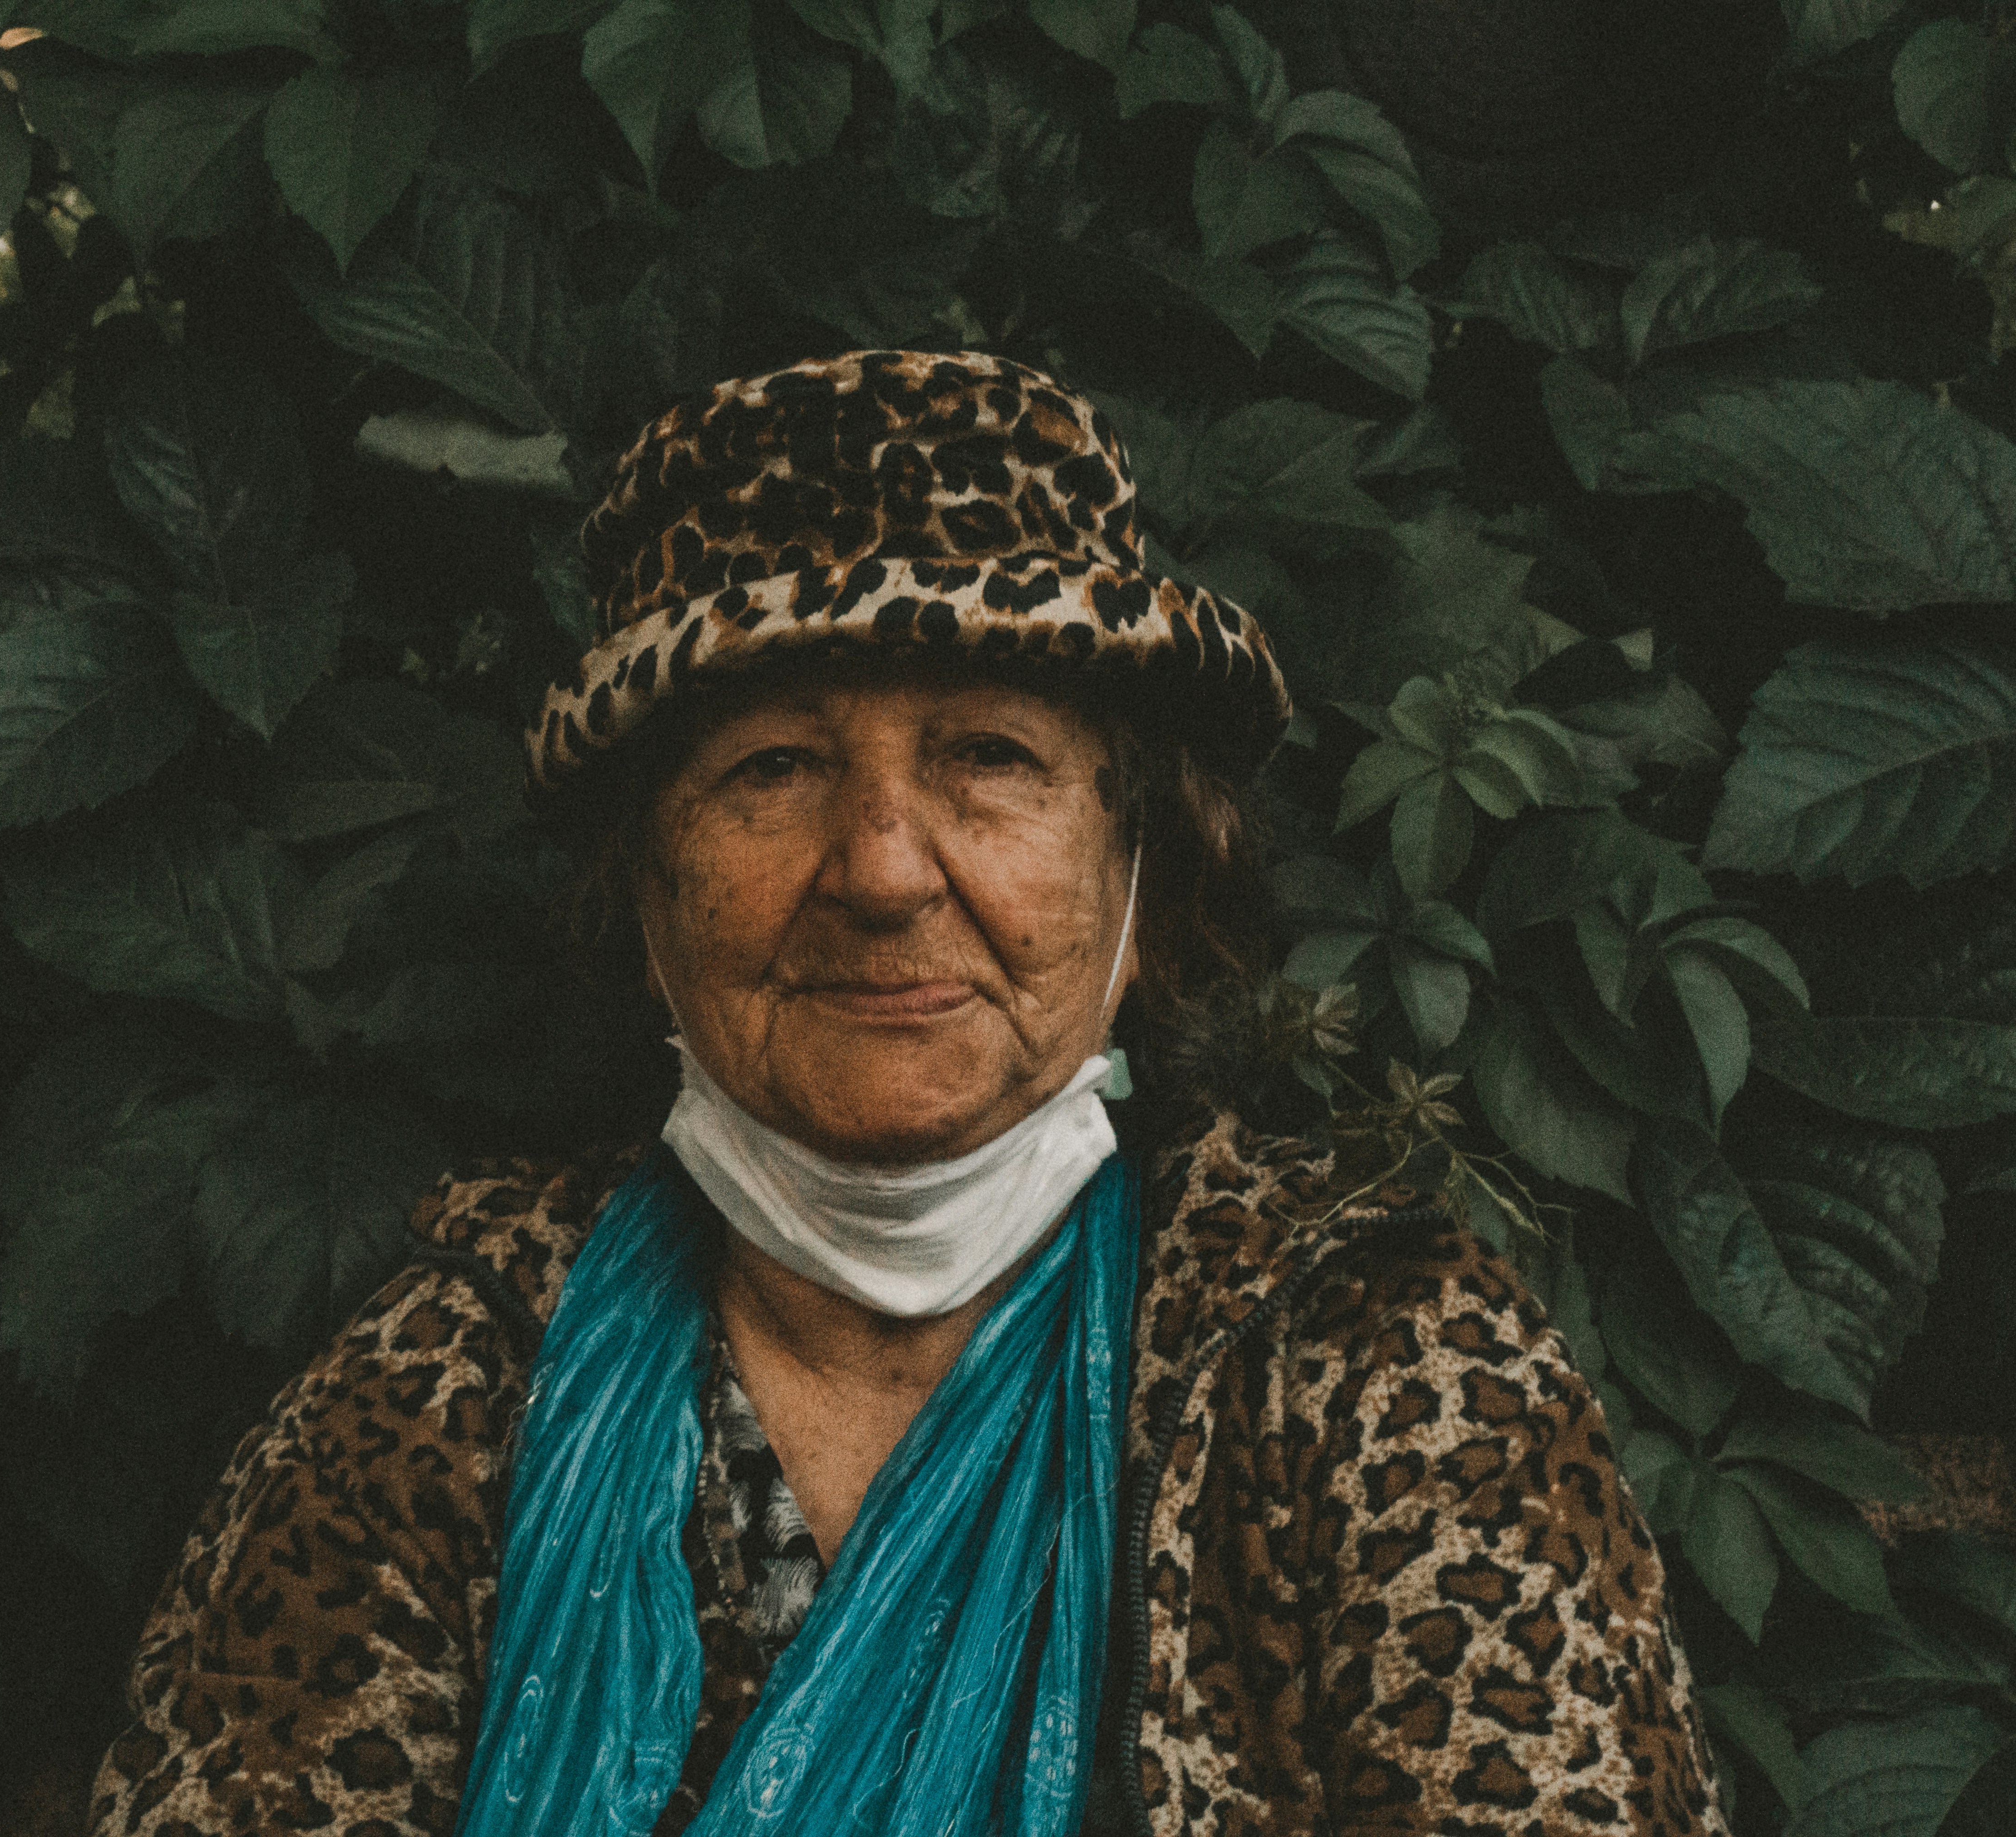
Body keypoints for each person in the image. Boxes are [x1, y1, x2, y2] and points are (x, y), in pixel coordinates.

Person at [87, 350, 1728, 1837]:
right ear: (650, 903)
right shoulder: (458, 1379)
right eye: (773, 770)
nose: (881, 870)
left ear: (1136, 865)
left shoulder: (1368, 1362)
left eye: (990, 757)